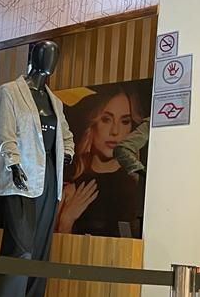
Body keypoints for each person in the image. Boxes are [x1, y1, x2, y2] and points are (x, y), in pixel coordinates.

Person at [56, 88, 146, 237]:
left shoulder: (139, 188)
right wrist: (66, 220)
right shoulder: (70, 191)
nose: (115, 131)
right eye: (106, 119)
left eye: (125, 121)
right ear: (92, 125)